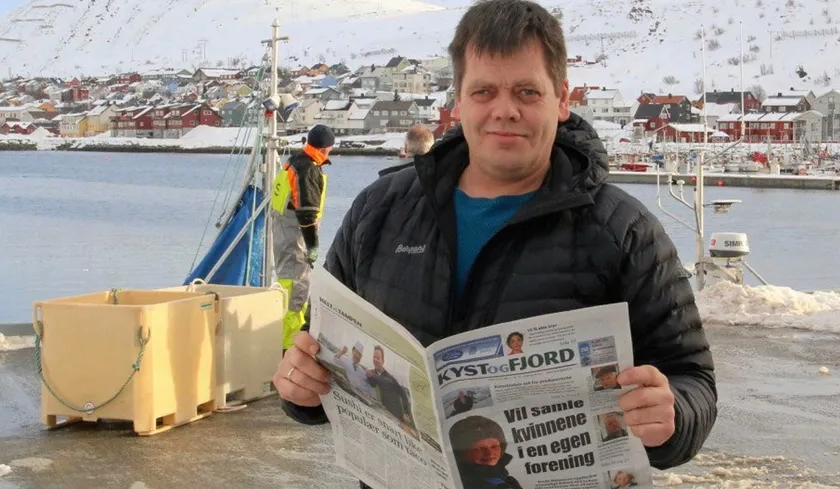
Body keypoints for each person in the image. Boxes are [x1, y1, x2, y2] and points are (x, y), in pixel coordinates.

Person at [273, 2, 717, 488]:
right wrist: (301, 390)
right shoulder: (379, 211)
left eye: (527, 91)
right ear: (459, 102)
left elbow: (693, 381)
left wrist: (670, 414)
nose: (505, 109)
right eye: (484, 91)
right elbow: (318, 352)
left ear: (562, 98)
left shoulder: (624, 230)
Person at [270, 124, 335, 351]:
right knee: (296, 291)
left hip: (284, 235)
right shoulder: (308, 169)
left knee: (290, 284)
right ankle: (289, 346)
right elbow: (306, 213)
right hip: (294, 239)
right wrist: (313, 246)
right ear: (328, 148)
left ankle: (285, 340)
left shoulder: (293, 162)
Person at [449, 415, 523, 489]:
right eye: (480, 449)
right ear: (462, 453)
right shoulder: (460, 483)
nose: (489, 453)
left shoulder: (509, 482)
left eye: (494, 446)